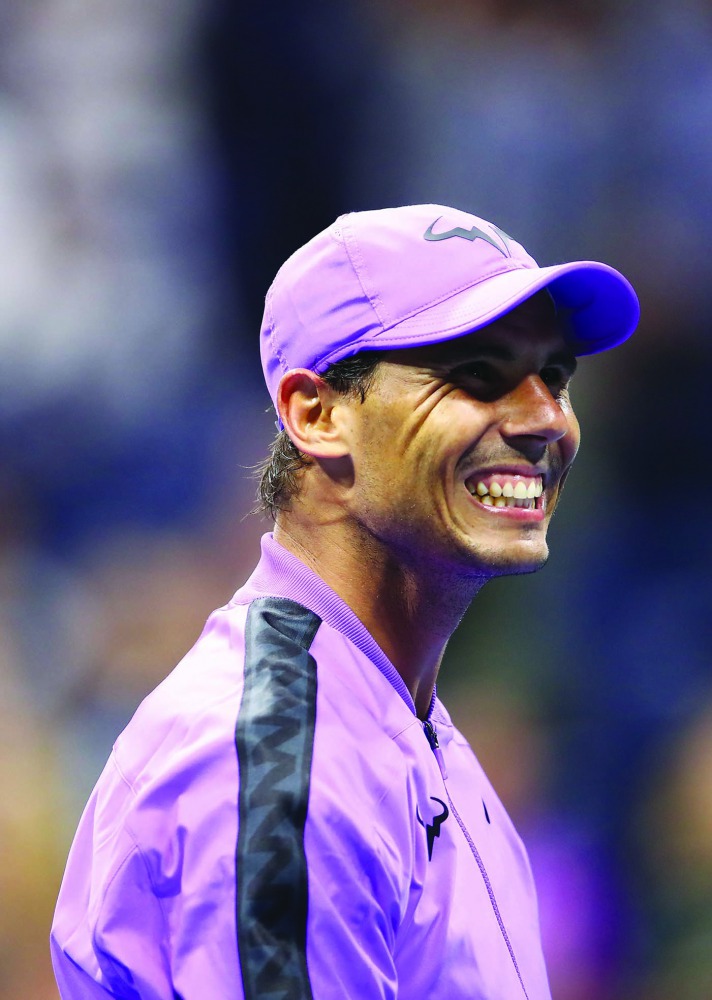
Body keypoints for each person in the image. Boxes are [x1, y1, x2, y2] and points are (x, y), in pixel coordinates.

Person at [50, 204, 639, 999]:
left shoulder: (393, 721)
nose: (546, 419)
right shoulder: (278, 761)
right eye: (479, 374)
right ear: (316, 414)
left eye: (556, 376)